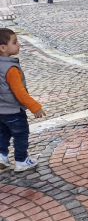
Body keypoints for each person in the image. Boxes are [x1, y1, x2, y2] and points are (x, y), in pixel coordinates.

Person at [0, 29, 46, 172]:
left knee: (2, 134)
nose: (19, 44)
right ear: (3, 48)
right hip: (14, 111)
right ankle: (21, 161)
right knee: (20, 135)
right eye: (14, 42)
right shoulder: (11, 69)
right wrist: (35, 107)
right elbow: (19, 92)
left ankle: (1, 156)